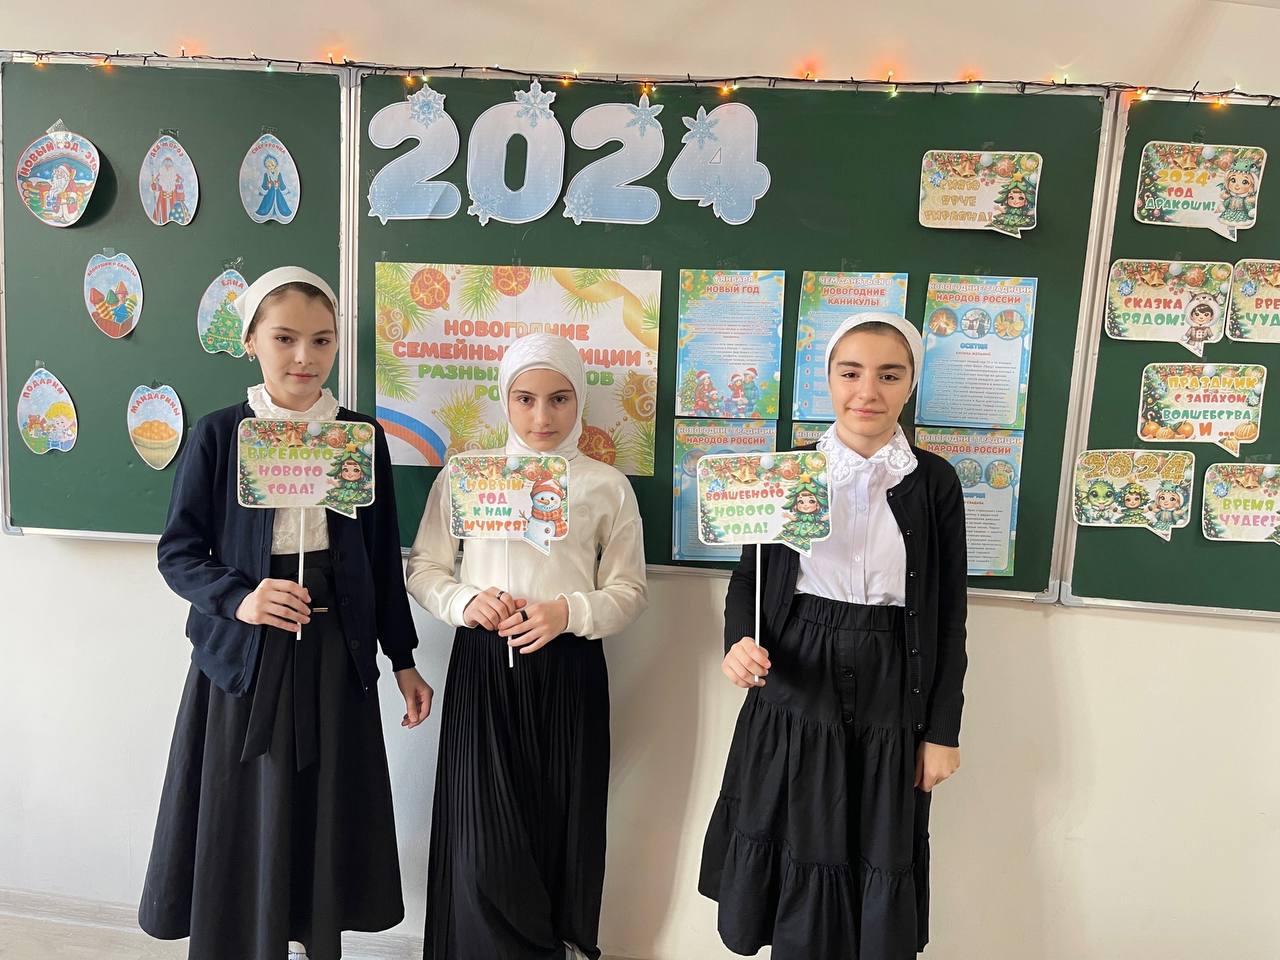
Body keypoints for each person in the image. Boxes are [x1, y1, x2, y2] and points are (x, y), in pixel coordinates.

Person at [138, 266, 432, 960]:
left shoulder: (359, 438)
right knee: (248, 811)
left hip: (335, 650)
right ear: (251, 341)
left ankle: (312, 939)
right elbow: (179, 553)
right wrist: (242, 598)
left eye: (322, 340)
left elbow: (380, 559)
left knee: (323, 810)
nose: (305, 356)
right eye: (285, 338)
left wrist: (403, 659)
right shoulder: (220, 435)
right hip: (244, 657)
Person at [699, 312, 968, 959]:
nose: (867, 391)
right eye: (850, 373)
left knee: (874, 850)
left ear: (910, 384)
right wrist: (738, 641)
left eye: (889, 375)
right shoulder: (788, 471)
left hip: (891, 685)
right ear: (828, 379)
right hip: (796, 677)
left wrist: (943, 731)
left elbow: (949, 613)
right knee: (798, 838)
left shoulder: (934, 482)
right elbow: (749, 580)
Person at [407, 333, 648, 960]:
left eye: (559, 399)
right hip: (485, 665)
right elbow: (424, 568)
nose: (543, 416)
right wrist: (465, 602)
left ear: (580, 400)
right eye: (526, 399)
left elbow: (629, 590)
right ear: (505, 400)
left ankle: (555, 948)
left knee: (559, 825)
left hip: (568, 667)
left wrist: (569, 612)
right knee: (482, 838)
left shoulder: (606, 486)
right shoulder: (466, 475)